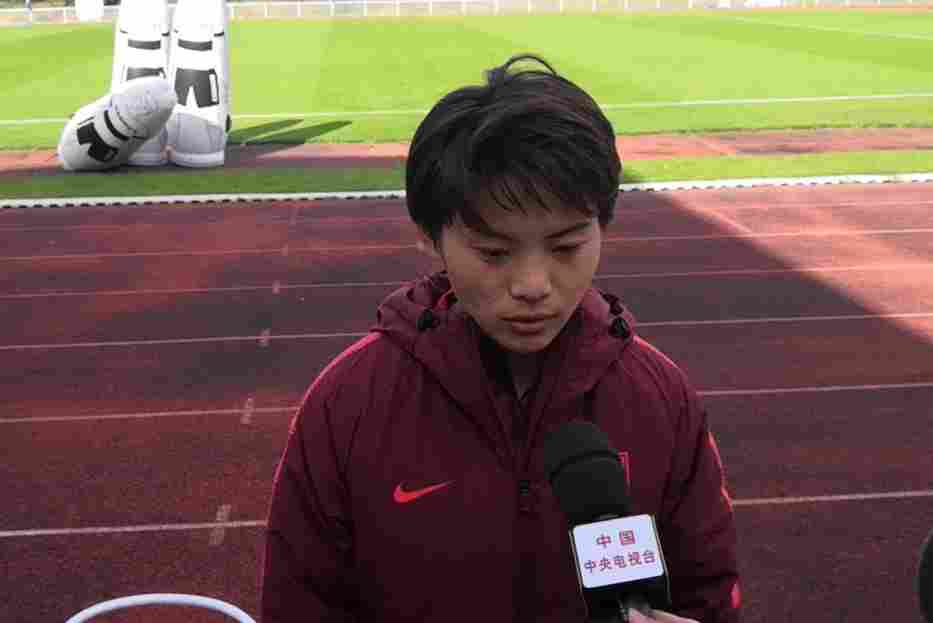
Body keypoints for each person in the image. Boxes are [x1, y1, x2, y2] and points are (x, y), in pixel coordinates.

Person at [261, 54, 740, 623]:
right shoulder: (348, 404)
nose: (533, 285)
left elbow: (709, 593)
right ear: (429, 236)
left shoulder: (660, 397)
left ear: (602, 226)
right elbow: (299, 602)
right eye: (493, 252)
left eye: (566, 247)